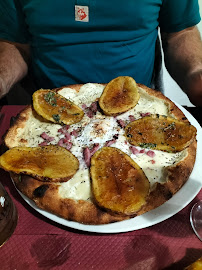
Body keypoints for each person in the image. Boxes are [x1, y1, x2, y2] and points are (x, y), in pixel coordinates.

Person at [0, 0, 202, 106]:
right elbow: (15, 44)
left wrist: (196, 74)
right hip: (47, 111)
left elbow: (180, 33)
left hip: (138, 107)